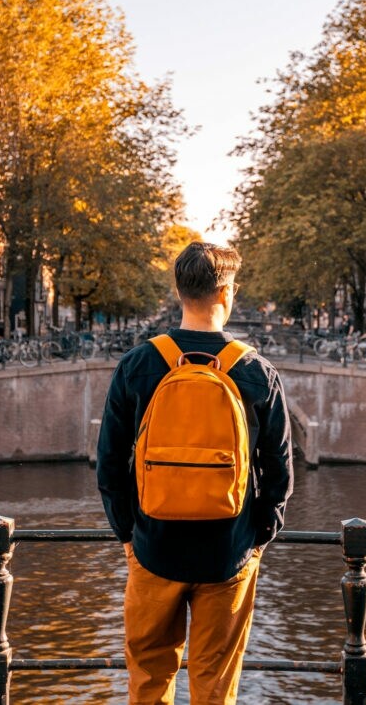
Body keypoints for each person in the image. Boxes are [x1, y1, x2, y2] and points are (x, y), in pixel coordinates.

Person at [97, 241, 294, 704]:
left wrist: (129, 534)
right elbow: (280, 472)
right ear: (228, 293)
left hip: (153, 547)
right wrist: (256, 539)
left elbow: (109, 464)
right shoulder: (256, 372)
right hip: (227, 552)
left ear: (179, 290)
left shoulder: (138, 365)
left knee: (148, 679)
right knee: (216, 684)